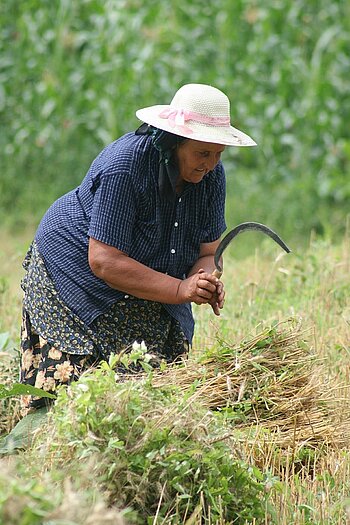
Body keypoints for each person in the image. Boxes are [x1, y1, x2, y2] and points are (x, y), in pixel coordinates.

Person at [19, 83, 256, 413]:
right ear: (174, 142)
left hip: (141, 271)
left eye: (219, 154)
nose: (211, 164)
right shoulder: (126, 166)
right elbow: (105, 261)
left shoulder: (211, 176)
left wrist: (202, 281)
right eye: (203, 153)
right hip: (71, 274)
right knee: (73, 395)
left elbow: (207, 252)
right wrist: (179, 287)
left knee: (149, 390)